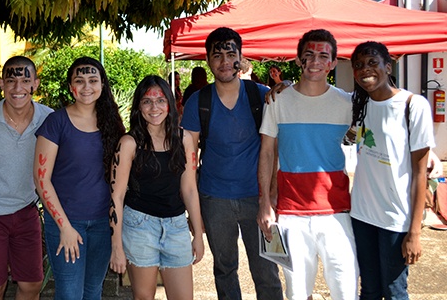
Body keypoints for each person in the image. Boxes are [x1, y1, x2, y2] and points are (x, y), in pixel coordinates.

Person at [181, 27, 283, 300]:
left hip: (257, 200)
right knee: (225, 271)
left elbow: (278, 146)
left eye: (230, 53)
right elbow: (188, 162)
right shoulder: (197, 102)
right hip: (214, 199)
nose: (225, 61)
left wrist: (272, 197)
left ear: (241, 56)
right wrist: (195, 213)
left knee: (267, 272)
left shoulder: (263, 96)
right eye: (217, 55)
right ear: (207, 60)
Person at [257, 29, 359, 300]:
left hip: (336, 211)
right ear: (299, 60)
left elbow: (371, 140)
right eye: (309, 55)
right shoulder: (278, 100)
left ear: (333, 63)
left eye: (323, 55)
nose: (315, 61)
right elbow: (266, 153)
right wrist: (264, 203)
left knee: (346, 290)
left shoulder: (347, 104)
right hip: (291, 213)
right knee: (297, 293)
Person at [33, 56, 125, 300]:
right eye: (80, 81)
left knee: (93, 292)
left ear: (102, 85)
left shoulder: (112, 123)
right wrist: (65, 227)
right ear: (70, 86)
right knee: (70, 294)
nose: (87, 87)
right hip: (66, 222)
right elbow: (42, 180)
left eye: (93, 80)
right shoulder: (56, 122)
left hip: (102, 225)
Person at [349, 41, 434, 299]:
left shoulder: (413, 105)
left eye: (372, 62)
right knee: (370, 290)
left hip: (395, 220)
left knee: (394, 291)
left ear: (388, 66)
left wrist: (415, 231)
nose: (365, 70)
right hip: (362, 216)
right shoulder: (357, 103)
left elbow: (420, 173)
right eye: (359, 65)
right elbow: (319, 93)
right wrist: (282, 84)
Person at [109, 75, 205, 300]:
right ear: (139, 107)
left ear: (170, 104)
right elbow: (117, 196)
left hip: (176, 227)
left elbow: (190, 189)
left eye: (161, 100)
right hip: (139, 227)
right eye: (147, 101)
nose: (155, 107)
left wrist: (198, 235)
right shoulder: (128, 143)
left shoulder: (185, 139)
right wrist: (117, 247)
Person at [0, 56, 53, 300]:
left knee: (31, 285)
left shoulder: (49, 119)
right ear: (1, 84)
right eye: (11, 81)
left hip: (26, 210)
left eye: (25, 81)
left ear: (35, 84)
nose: (18, 89)